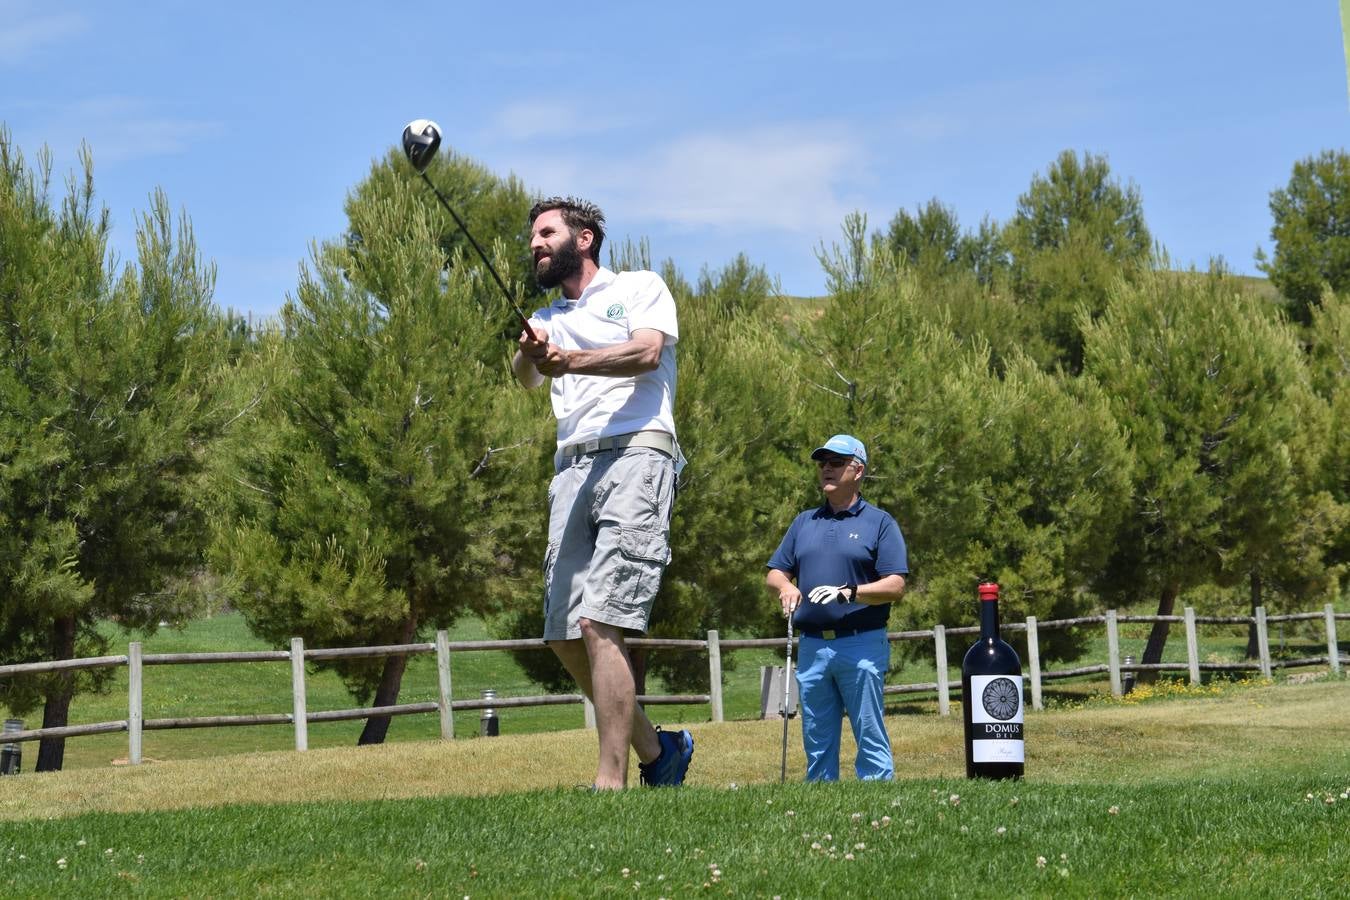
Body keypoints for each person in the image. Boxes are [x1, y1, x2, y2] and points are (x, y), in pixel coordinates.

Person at [512, 196, 693, 790]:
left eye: (546, 233)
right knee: (563, 633)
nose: (535, 244)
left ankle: (609, 782)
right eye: (532, 237)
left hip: (638, 451)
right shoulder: (545, 318)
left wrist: (570, 360)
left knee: (601, 620)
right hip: (570, 467)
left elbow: (647, 351)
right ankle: (659, 752)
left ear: (584, 238)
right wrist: (531, 353)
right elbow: (525, 376)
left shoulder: (639, 287)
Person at [765, 434, 908, 782]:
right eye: (822, 463)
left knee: (868, 732)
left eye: (836, 463)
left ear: (858, 470)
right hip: (813, 645)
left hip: (861, 643)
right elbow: (775, 573)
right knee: (816, 739)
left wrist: (851, 592)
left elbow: (895, 585)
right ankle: (821, 797)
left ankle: (877, 797)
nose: (826, 469)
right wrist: (785, 586)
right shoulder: (804, 522)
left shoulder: (880, 523)